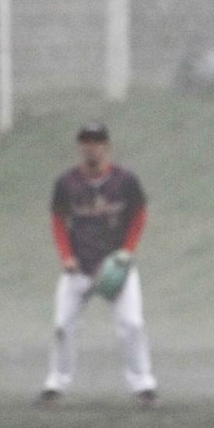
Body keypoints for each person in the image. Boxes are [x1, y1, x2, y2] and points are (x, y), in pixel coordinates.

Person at [39, 124, 157, 404]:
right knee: (63, 326)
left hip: (116, 267)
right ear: (80, 146)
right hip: (78, 267)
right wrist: (65, 256)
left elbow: (138, 214)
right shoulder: (66, 183)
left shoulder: (124, 181)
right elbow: (58, 220)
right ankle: (56, 382)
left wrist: (127, 252)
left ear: (107, 146)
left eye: (98, 141)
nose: (92, 147)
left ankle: (143, 384)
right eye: (87, 142)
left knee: (132, 325)